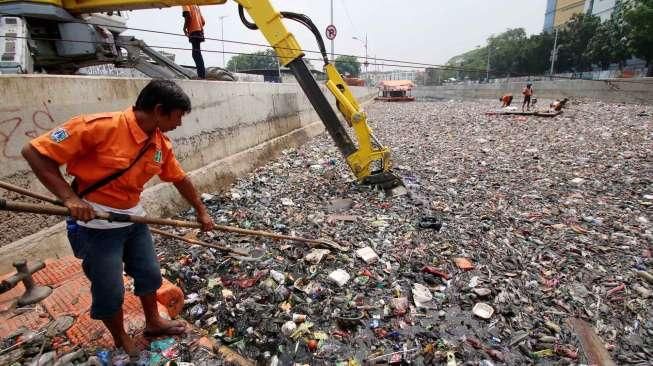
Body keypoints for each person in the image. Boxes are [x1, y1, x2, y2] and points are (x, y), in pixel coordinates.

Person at [21, 80, 215, 357]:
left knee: (149, 273)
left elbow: (179, 178)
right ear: (159, 110)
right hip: (96, 224)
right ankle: (120, 336)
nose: (180, 123)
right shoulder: (98, 127)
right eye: (178, 116)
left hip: (134, 221)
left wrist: (201, 211)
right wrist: (70, 199)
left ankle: (153, 322)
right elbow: (34, 152)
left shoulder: (159, 144)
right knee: (109, 288)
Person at [183, 5, 206, 79]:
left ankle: (201, 76)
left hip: (193, 31)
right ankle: (201, 75)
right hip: (199, 31)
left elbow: (187, 15)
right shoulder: (196, 5)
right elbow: (203, 21)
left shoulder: (185, 2)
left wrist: (184, 28)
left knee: (195, 54)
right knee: (197, 53)